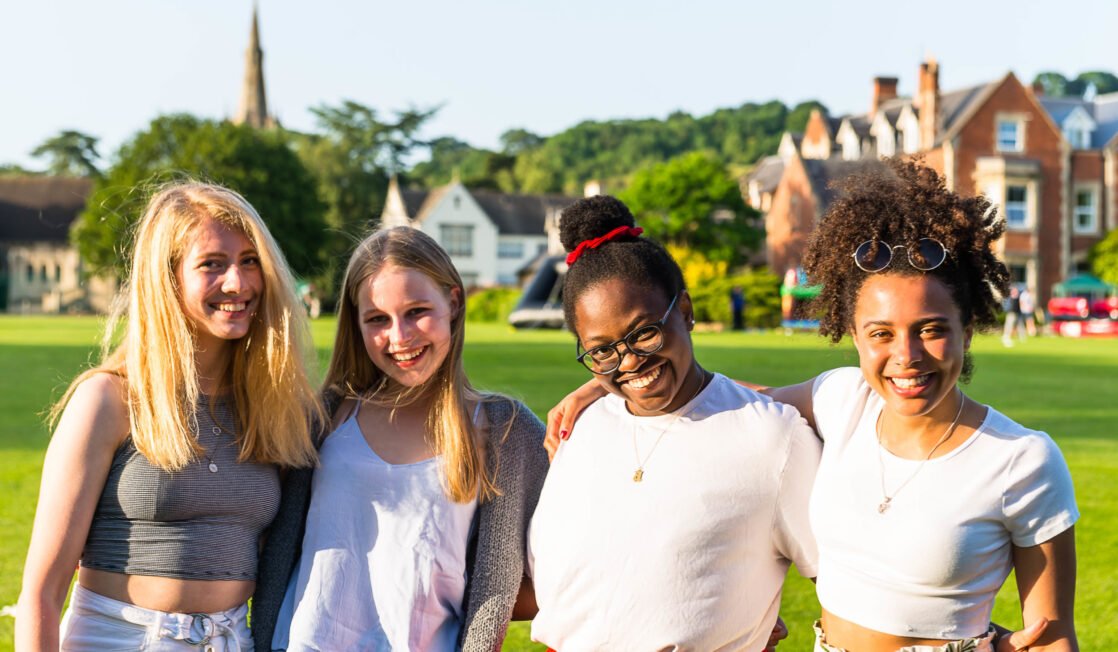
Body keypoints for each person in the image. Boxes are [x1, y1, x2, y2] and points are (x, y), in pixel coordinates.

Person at [547, 160, 1078, 652]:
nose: (906, 357)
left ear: (969, 329)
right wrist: (610, 380)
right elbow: (725, 396)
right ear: (853, 333)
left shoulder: (1023, 460)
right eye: (881, 334)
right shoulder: (842, 399)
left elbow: (1051, 636)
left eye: (933, 330)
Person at [16, 182, 323, 650]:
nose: (238, 283)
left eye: (249, 261)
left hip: (230, 639)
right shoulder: (110, 400)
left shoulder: (275, 409)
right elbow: (43, 589)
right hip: (120, 639)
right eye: (212, 265)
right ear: (169, 278)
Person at [528, 196, 820, 650]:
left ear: (683, 311)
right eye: (602, 350)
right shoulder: (580, 427)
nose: (629, 361)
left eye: (644, 332)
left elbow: (846, 584)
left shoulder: (773, 439)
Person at [251, 226, 549, 651]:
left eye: (416, 311)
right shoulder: (326, 418)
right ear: (355, 324)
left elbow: (581, 545)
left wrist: (595, 391)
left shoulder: (502, 429)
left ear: (454, 301)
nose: (400, 336)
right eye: (377, 319)